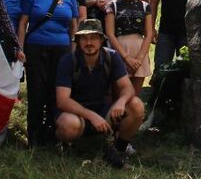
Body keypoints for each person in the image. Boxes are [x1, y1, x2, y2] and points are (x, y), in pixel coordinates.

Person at [54, 20, 145, 168]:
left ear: (101, 40)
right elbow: (62, 100)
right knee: (70, 125)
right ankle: (68, 145)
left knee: (136, 105)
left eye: (94, 37)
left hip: (104, 111)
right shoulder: (68, 61)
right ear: (77, 40)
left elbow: (128, 88)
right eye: (84, 38)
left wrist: (121, 102)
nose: (89, 42)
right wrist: (91, 116)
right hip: (76, 114)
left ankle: (119, 148)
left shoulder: (111, 57)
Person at [18, 0, 79, 146]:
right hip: (36, 47)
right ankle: (34, 137)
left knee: (57, 92)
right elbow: (23, 22)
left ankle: (53, 135)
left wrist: (74, 50)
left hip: (61, 49)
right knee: (37, 91)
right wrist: (20, 47)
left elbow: (74, 25)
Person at [105, 0, 154, 95]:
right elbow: (109, 33)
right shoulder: (112, 5)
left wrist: (139, 58)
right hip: (119, 51)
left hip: (139, 51)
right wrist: (126, 58)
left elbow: (149, 34)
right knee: (118, 95)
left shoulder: (145, 6)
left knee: (134, 96)